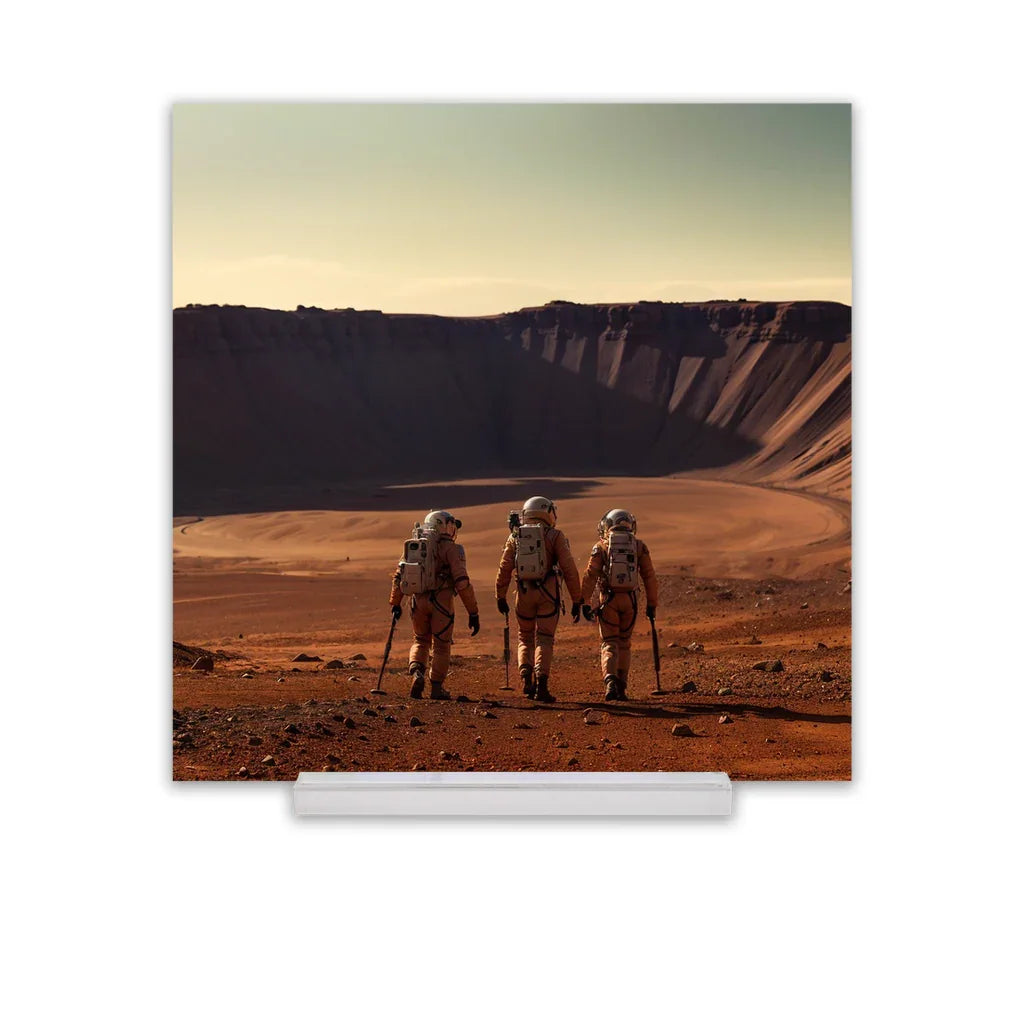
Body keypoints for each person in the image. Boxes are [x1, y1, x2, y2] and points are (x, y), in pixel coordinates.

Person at [495, 495, 582, 703]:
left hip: (523, 594)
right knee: (544, 638)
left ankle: (526, 677)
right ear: (548, 513)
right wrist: (577, 600)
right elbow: (569, 570)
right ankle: (541, 683)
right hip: (548, 594)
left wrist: (500, 595)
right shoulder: (555, 536)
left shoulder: (515, 537)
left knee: (525, 637)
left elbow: (504, 568)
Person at [389, 510, 480, 700]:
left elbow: (400, 576)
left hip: (417, 601)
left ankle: (416, 673)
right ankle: (437, 687)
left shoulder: (415, 546)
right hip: (442, 602)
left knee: (420, 640)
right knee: (441, 645)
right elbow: (462, 582)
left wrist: (395, 603)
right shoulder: (453, 550)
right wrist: (473, 612)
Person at [579, 508, 659, 701]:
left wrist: (584, 602)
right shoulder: (639, 546)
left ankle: (610, 681)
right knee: (624, 643)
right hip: (630, 601)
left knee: (609, 642)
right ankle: (622, 685)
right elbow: (649, 577)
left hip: (608, 600)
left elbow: (590, 576)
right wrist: (651, 604)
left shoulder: (602, 546)